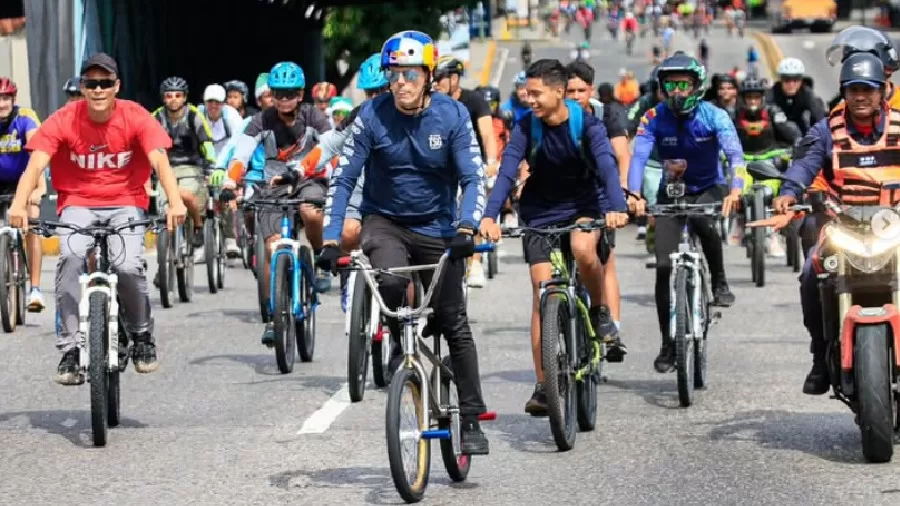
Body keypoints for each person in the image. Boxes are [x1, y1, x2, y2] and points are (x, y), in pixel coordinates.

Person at [316, 30, 490, 455]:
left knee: (454, 322)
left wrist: (467, 227)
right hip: (385, 222)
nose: (401, 84)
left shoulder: (452, 115)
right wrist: (330, 236)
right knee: (390, 281)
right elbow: (344, 179)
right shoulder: (372, 115)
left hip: (438, 226)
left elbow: (472, 176)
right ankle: (398, 336)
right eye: (394, 75)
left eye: (410, 74)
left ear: (429, 76)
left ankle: (470, 417)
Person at [9, 53, 187, 384]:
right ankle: (70, 350)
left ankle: (142, 335)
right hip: (77, 202)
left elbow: (159, 160)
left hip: (126, 200)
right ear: (83, 87)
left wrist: (175, 202)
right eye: (91, 83)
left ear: (116, 86)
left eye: (105, 83)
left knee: (128, 265)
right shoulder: (65, 118)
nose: (98, 89)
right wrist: (19, 205)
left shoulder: (135, 115)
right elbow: (36, 165)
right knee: (72, 257)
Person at [479, 58, 629, 415]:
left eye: (535, 93)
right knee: (540, 287)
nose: (528, 99)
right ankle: (545, 385)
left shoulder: (587, 127)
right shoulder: (526, 127)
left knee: (582, 247)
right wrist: (489, 215)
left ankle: (599, 310)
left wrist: (618, 205)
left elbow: (607, 167)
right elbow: (506, 172)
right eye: (526, 93)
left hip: (584, 204)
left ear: (559, 91)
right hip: (540, 210)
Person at [767, 52, 895, 395]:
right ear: (844, 92)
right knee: (812, 272)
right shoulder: (826, 130)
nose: (860, 96)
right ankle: (820, 355)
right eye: (853, 89)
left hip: (894, 224)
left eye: (868, 89)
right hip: (844, 224)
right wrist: (789, 191)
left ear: (883, 91)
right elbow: (804, 165)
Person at [626, 54, 741, 373]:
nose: (677, 92)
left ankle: (719, 281)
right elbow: (638, 159)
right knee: (663, 266)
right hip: (671, 192)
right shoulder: (652, 117)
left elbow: (734, 155)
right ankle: (668, 343)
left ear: (697, 87)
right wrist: (634, 193)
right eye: (670, 85)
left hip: (708, 188)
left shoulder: (714, 116)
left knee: (705, 222)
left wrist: (735, 190)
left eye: (684, 85)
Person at [224, 61, 331, 345]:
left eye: (290, 94)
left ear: (301, 93)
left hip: (309, 180)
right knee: (272, 247)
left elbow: (331, 146)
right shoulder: (262, 120)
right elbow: (241, 155)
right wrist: (229, 181)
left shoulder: (314, 117)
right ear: (271, 94)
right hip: (272, 186)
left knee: (310, 212)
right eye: (279, 94)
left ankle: (319, 257)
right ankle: (273, 316)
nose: (284, 99)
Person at [566, 60, 632, 345]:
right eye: (570, 91)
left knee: (605, 261)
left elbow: (621, 156)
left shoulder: (607, 115)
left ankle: (612, 330)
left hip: (602, 194)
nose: (576, 96)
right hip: (566, 195)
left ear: (591, 90)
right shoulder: (553, 117)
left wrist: (624, 189)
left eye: (581, 90)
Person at [432, 55, 499, 288]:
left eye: (440, 78)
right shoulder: (432, 102)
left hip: (471, 163)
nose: (436, 82)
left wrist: (490, 162)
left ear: (455, 78)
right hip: (441, 165)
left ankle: (476, 262)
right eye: (434, 78)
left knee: (471, 204)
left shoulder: (474, 100)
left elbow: (488, 134)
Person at [151, 77, 219, 263]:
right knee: (165, 211)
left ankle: (197, 227)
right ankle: (165, 262)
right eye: (169, 95)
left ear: (185, 98)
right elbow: (145, 145)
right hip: (165, 169)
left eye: (178, 95)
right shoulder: (156, 117)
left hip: (191, 168)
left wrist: (211, 165)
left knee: (186, 196)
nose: (173, 99)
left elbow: (207, 142)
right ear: (163, 98)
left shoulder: (194, 115)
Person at [731, 77, 801, 256]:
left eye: (756, 97)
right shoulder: (733, 115)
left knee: (773, 191)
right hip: (743, 160)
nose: (752, 102)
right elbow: (723, 136)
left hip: (769, 159)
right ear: (743, 99)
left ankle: (772, 235)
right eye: (749, 98)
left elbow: (790, 131)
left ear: (762, 98)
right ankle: (738, 220)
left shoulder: (773, 112)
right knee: (738, 189)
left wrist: (797, 142)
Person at [0, 77, 47, 311]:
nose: (1, 104)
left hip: (24, 183)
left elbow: (36, 149)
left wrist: (38, 189)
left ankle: (35, 289)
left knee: (32, 222)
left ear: (13, 99)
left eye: (6, 98)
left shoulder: (25, 116)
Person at [198, 84, 243, 258]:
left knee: (226, 195)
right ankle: (204, 241)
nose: (213, 106)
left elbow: (239, 144)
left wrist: (233, 173)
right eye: (210, 102)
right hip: (205, 161)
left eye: (217, 102)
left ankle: (230, 238)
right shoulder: (198, 115)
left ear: (223, 104)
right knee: (199, 198)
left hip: (227, 161)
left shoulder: (231, 116)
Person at [766, 58, 825, 136]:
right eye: (787, 80)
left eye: (795, 80)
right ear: (781, 80)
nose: (791, 84)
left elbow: (819, 118)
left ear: (801, 80)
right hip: (776, 134)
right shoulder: (772, 93)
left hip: (801, 132)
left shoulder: (806, 93)